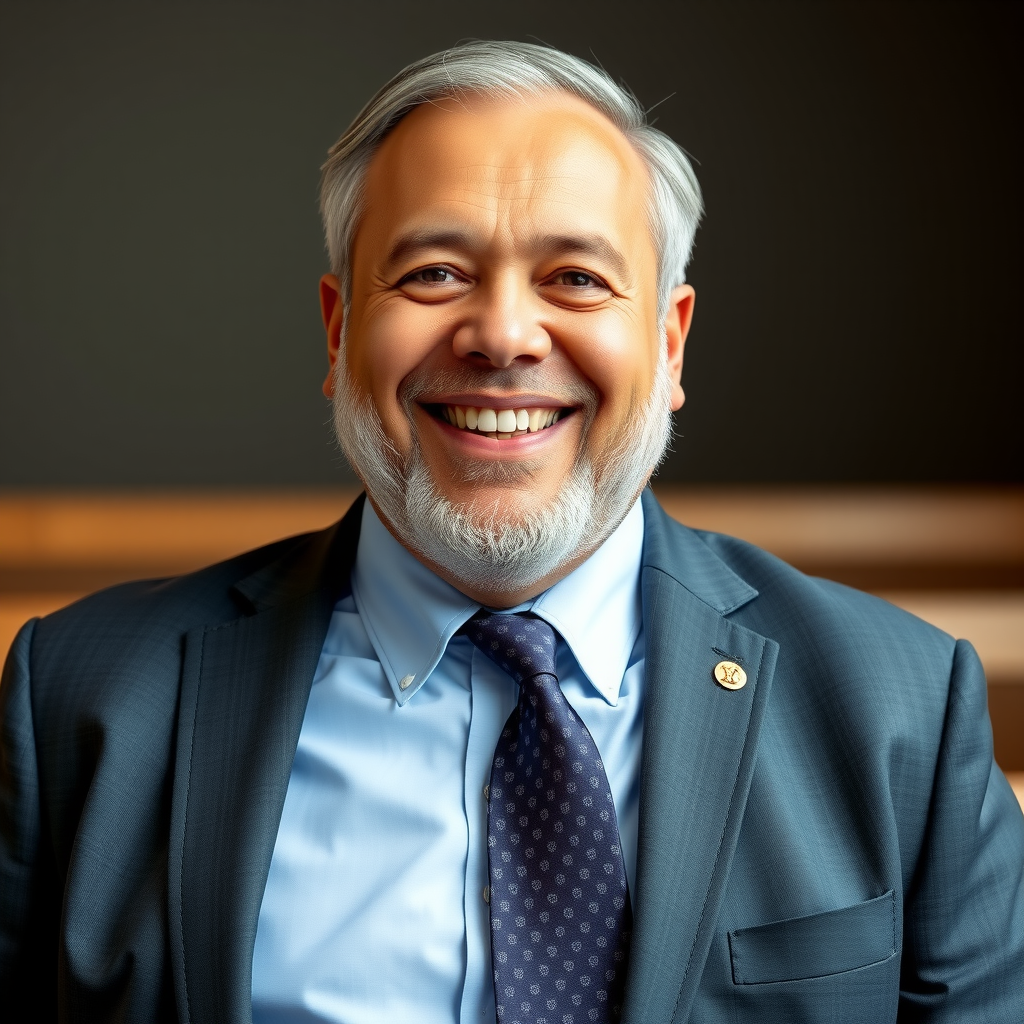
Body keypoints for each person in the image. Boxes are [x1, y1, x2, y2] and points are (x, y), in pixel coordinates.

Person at [1, 40, 1021, 1024]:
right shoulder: (78, 700)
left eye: (575, 278)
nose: (500, 334)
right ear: (338, 331)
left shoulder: (903, 712)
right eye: (434, 272)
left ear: (668, 344)